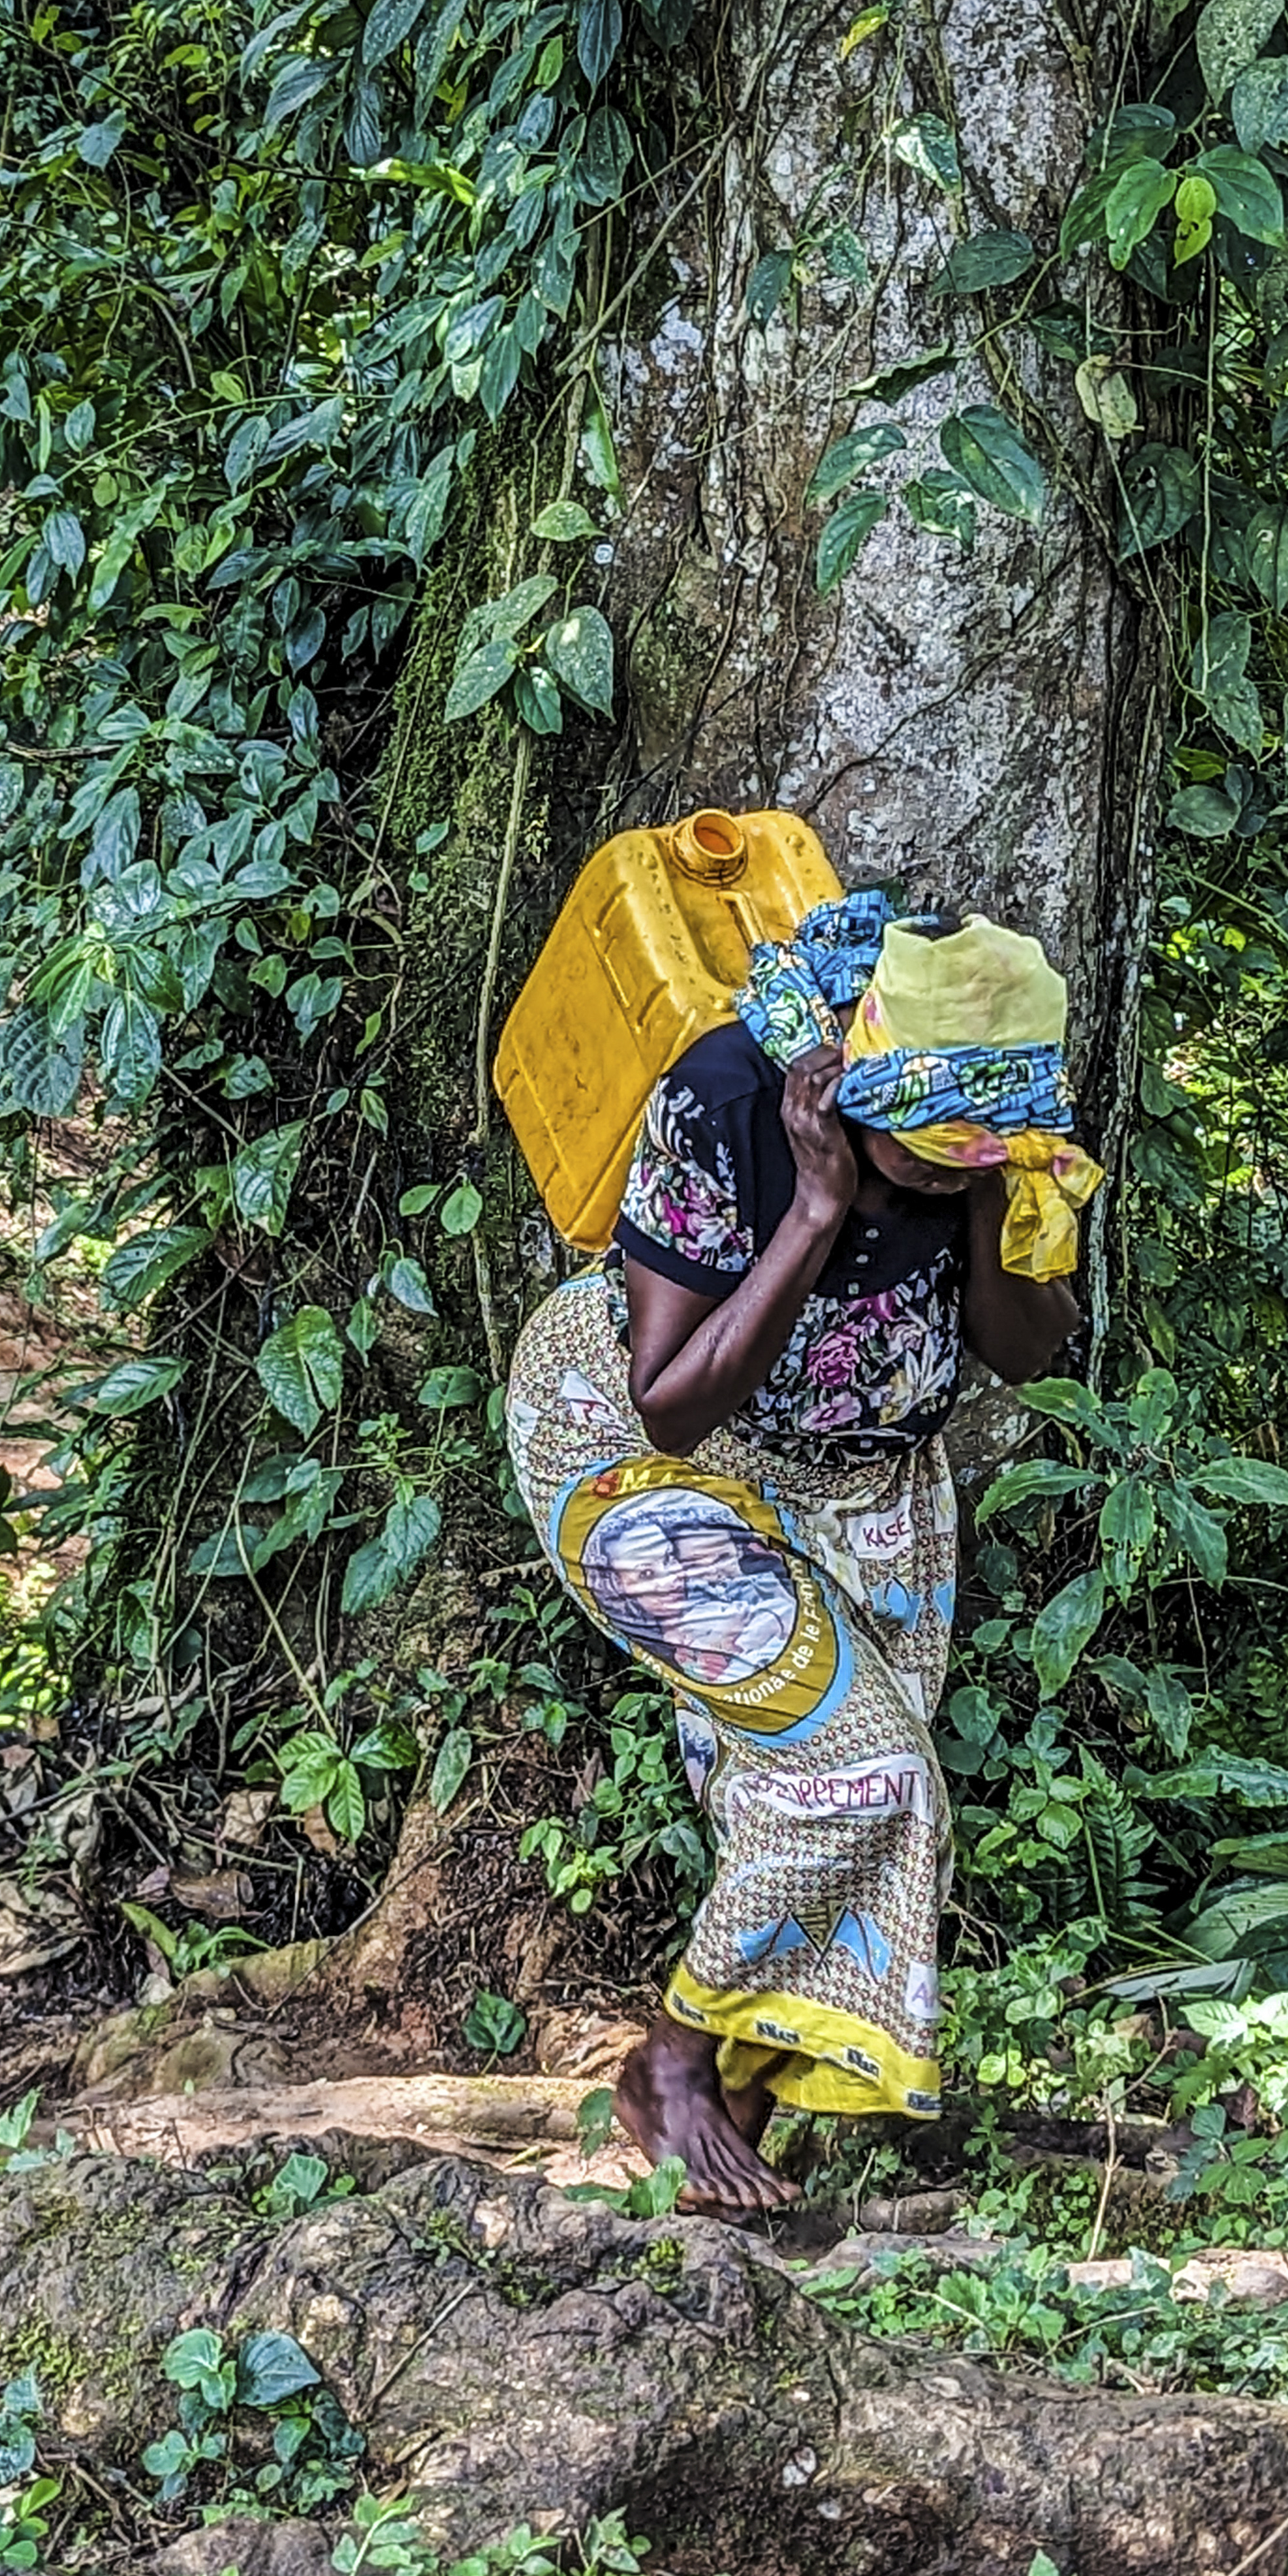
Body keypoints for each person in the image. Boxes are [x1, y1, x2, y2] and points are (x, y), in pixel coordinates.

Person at [504, 891, 1099, 2208]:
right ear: (858, 1080)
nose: (941, 1166)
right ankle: (666, 2064)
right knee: (867, 1773)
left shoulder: (994, 1148)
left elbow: (1022, 1348)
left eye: (972, 1143)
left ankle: (732, 2121)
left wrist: (991, 1190)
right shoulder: (727, 1097)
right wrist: (818, 1208)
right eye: (925, 1141)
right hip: (647, 1463)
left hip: (872, 1494)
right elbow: (670, 1401)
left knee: (836, 1799)